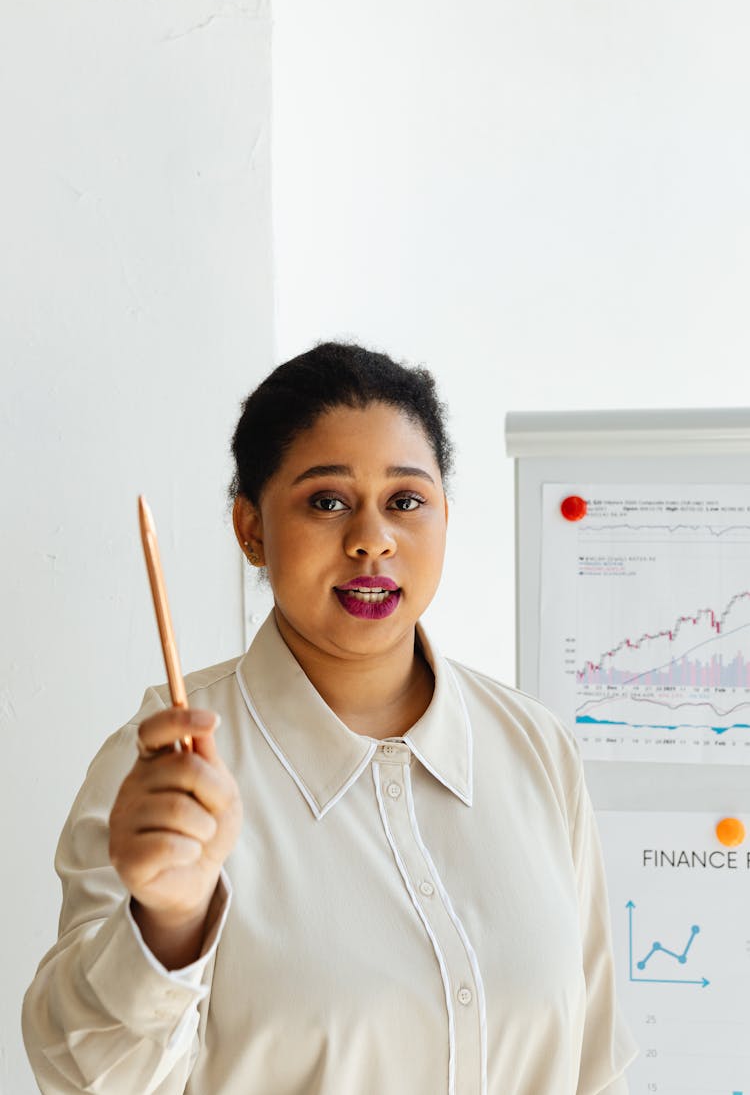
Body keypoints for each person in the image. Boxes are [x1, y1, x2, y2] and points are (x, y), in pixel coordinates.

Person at [23, 342, 636, 1094]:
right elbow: (84, 1074)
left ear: (446, 516)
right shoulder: (164, 764)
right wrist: (169, 921)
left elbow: (596, 1063)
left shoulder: (536, 748)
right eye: (327, 501)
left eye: (406, 501)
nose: (372, 537)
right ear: (250, 528)